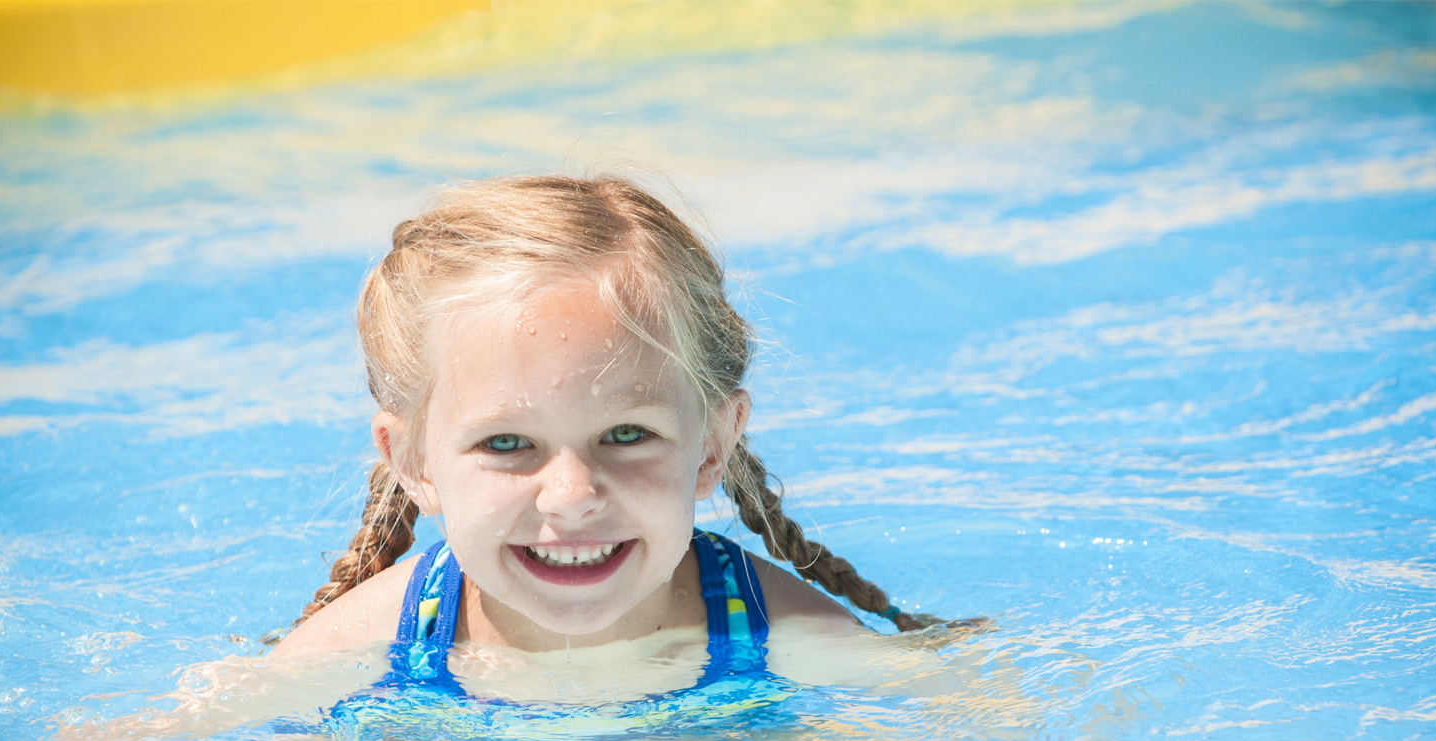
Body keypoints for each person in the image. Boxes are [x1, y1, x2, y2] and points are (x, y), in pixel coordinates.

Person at [271, 175, 941, 702]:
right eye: (507, 443)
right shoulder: (359, 648)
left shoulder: (788, 635)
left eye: (626, 434)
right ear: (414, 461)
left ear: (711, 446)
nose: (571, 497)